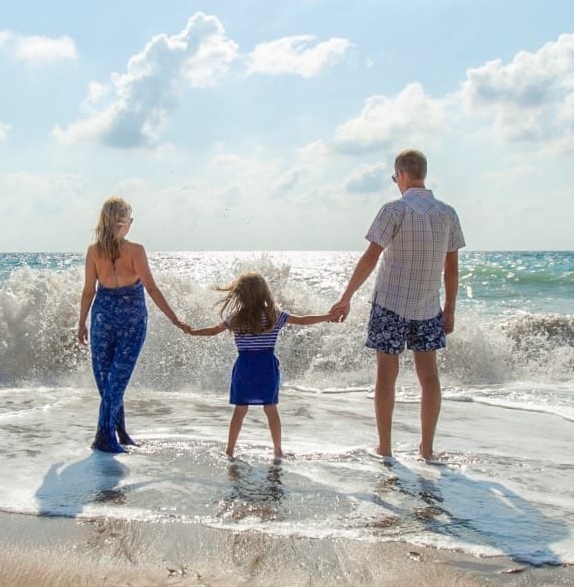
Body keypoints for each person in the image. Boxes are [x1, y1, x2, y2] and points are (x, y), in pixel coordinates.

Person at [328, 148, 465, 460]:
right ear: (423, 174)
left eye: (394, 177)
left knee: (386, 376)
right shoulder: (448, 213)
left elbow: (370, 258)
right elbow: (452, 269)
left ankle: (386, 448)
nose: (396, 182)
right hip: (429, 308)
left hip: (390, 304)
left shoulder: (394, 210)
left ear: (401, 174)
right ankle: (426, 449)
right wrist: (451, 309)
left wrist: (346, 296)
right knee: (429, 377)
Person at [76, 197, 187, 454]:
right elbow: (151, 287)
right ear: (125, 223)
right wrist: (175, 319)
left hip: (103, 316)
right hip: (131, 319)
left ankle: (119, 432)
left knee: (110, 380)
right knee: (114, 380)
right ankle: (104, 436)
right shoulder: (135, 250)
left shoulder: (94, 251)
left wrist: (82, 322)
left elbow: (88, 292)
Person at [185, 272, 333, 457]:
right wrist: (327, 316)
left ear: (240, 294)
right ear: (264, 293)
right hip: (266, 368)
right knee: (270, 409)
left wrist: (192, 332)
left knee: (240, 410)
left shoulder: (236, 318)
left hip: (245, 367)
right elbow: (302, 320)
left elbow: (214, 331)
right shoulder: (274, 316)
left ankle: (230, 450)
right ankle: (278, 450)